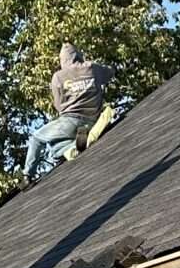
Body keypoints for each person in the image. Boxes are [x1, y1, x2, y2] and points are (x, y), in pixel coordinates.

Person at [24, 44, 115, 176]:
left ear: (63, 60)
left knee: (37, 139)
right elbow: (110, 72)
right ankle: (74, 145)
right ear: (78, 55)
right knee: (54, 150)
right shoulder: (92, 68)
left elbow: (58, 106)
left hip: (70, 120)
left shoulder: (59, 77)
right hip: (92, 119)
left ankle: (27, 175)